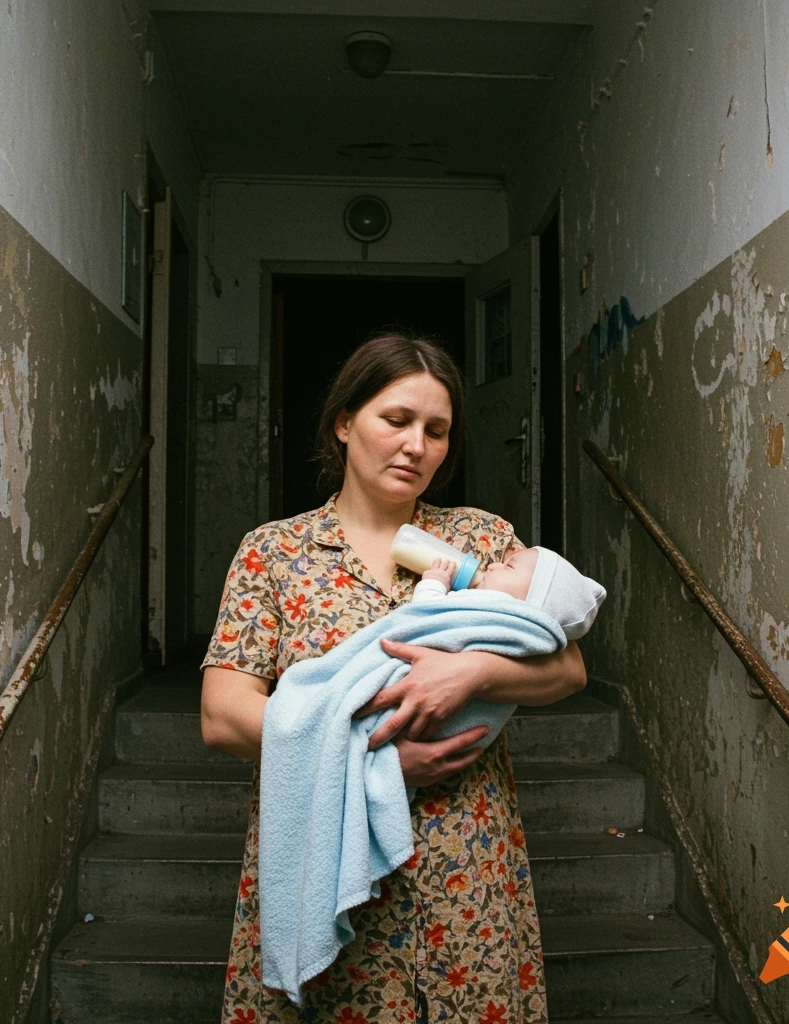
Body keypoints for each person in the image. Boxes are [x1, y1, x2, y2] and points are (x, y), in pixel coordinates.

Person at [200, 332, 588, 1023]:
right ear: (345, 423)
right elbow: (223, 713)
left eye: (437, 431)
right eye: (397, 420)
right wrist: (365, 760)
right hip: (326, 851)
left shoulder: (481, 541)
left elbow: (565, 668)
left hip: (463, 858)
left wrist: (469, 674)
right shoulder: (275, 553)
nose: (417, 446)